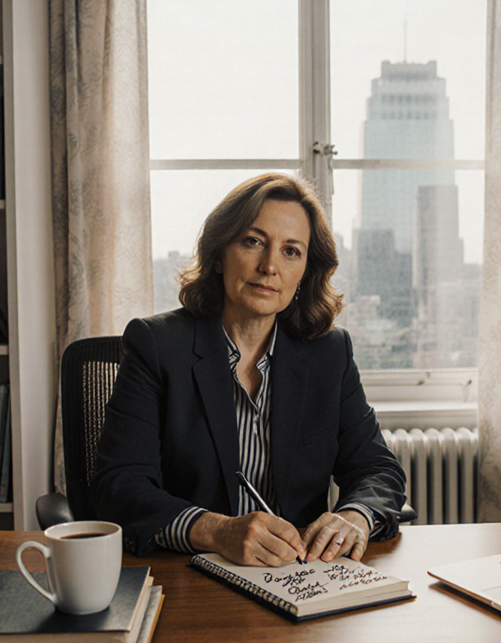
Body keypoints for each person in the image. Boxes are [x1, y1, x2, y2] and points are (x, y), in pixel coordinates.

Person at [92, 173, 406, 567]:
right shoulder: (156, 346)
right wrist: (216, 530)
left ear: (305, 272)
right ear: (220, 254)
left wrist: (355, 516)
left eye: (291, 251)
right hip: (191, 576)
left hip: (301, 580)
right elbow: (118, 484)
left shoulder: (329, 353)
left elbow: (378, 469)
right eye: (253, 241)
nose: (269, 265)